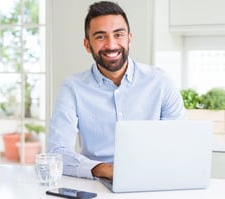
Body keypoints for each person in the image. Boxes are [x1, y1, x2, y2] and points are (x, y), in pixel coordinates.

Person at [47, 1, 185, 180]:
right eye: (100, 37)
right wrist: (102, 170)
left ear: (129, 38)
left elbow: (180, 142)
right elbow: (57, 153)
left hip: (153, 179)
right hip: (97, 183)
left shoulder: (161, 82)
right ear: (87, 45)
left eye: (118, 34)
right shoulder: (72, 88)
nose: (111, 45)